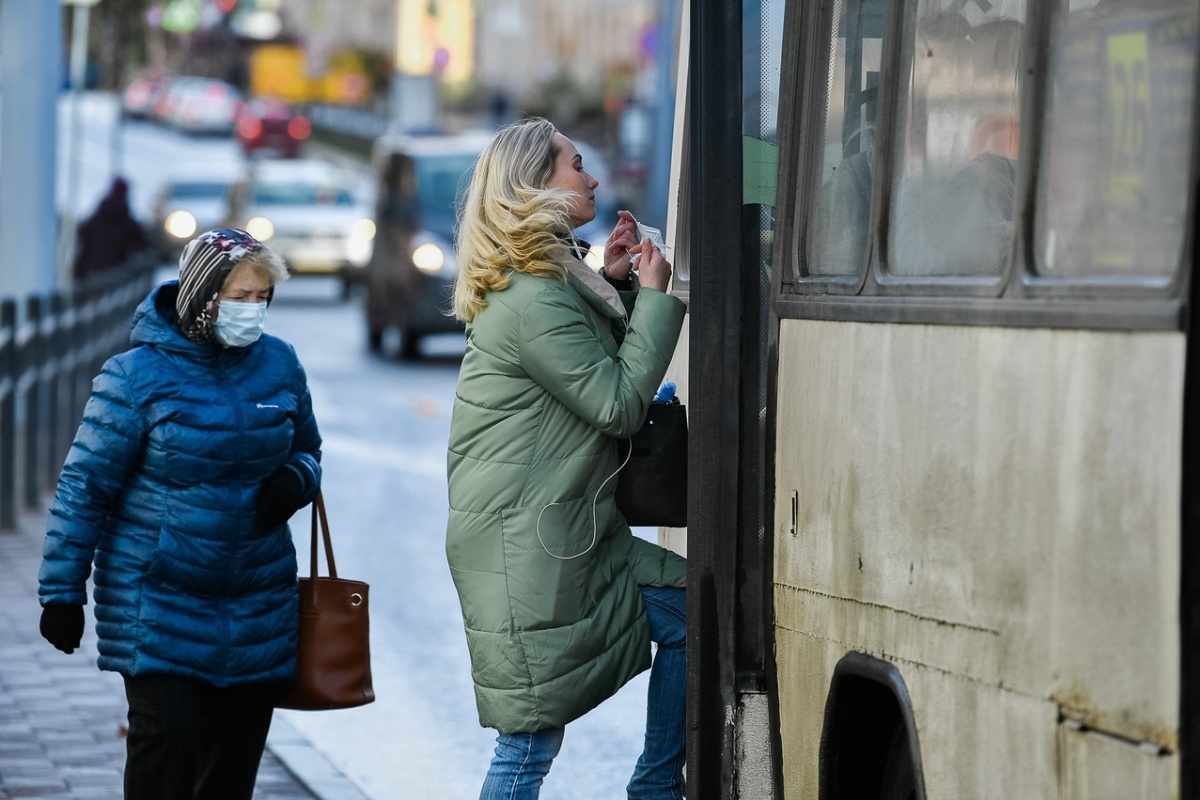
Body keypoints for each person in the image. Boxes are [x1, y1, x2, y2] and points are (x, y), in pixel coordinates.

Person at [446, 116, 688, 800]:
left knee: (692, 613)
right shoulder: (532, 299)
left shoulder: (548, 282)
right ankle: (656, 787)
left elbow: (583, 363)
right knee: (528, 740)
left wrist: (613, 282)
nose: (592, 178)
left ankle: (656, 786)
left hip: (567, 536)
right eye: (575, 165)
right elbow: (614, 401)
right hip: (528, 548)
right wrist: (658, 301)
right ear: (536, 188)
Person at [37, 228, 322, 800]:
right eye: (239, 296)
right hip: (158, 604)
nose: (252, 310)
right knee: (165, 762)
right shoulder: (135, 377)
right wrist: (61, 592)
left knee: (230, 775)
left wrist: (297, 478)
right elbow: (85, 487)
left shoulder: (280, 364)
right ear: (201, 296)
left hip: (256, 603)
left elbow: (308, 447)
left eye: (262, 298)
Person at [73, 176, 150, 280]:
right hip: (114, 275)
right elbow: (144, 245)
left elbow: (84, 244)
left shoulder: (96, 219)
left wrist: (78, 273)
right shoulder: (127, 222)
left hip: (91, 273)